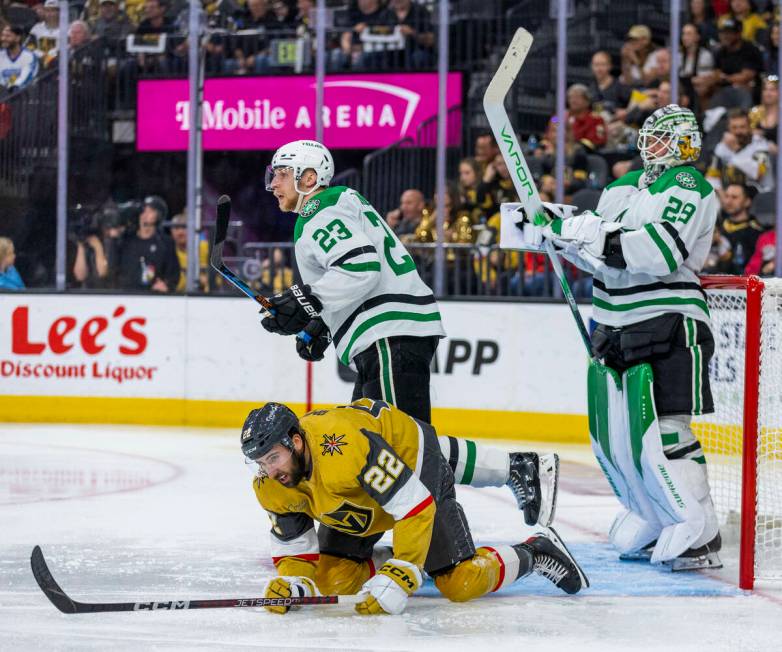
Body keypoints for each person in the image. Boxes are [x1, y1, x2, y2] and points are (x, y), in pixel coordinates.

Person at [261, 139, 558, 523]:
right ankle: (402, 530)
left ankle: (505, 477)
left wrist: (306, 300)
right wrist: (317, 323)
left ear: (310, 178)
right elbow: (358, 273)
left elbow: (360, 266)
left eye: (283, 174)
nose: (274, 184)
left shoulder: (319, 209)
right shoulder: (336, 205)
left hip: (387, 332)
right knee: (378, 442)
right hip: (385, 332)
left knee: (405, 446)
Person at [515, 104, 723, 572]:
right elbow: (602, 259)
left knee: (665, 431)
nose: (651, 144)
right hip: (612, 322)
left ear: (684, 143)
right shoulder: (622, 188)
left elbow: (660, 250)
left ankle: (698, 528)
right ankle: (654, 514)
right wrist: (561, 238)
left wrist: (595, 234)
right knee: (617, 437)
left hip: (668, 318)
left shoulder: (688, 186)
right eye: (650, 136)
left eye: (663, 137)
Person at [242, 399, 588, 615]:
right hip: (361, 496)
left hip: (413, 464)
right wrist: (294, 584)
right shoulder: (270, 485)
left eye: (274, 458)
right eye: (261, 462)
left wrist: (402, 571)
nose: (270, 471)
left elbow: (413, 504)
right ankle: (416, 557)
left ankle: (537, 552)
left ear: (297, 442)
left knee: (460, 584)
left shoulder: (344, 452)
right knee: (333, 581)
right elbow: (297, 550)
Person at [115, 195, 180, 292]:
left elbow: (173, 273)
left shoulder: (165, 242)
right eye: (144, 209)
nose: (145, 213)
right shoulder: (126, 239)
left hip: (152, 297)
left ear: (159, 215)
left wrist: (166, 285)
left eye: (151, 211)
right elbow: (114, 268)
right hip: (126, 295)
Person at [707, 108, 774, 195]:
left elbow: (758, 174)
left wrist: (736, 149)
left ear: (749, 127)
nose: (738, 131)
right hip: (730, 197)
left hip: (759, 195)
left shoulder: (760, 144)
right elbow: (712, 176)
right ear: (728, 128)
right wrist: (723, 196)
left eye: (742, 127)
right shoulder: (722, 147)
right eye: (734, 127)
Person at [717, 183, 765, 273]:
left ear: (747, 201)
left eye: (734, 197)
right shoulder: (718, 226)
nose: (728, 201)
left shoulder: (755, 233)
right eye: (726, 196)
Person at [170, 211, 209, 292]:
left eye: (184, 227)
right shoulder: (168, 251)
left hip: (206, 297)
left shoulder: (205, 247)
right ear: (171, 231)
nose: (180, 232)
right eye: (176, 228)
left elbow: (218, 278)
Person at [0, 25, 39, 92]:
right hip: (3, 94)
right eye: (2, 35)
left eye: (8, 36)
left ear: (17, 38)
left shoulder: (29, 56)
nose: (3, 39)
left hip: (24, 95)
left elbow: (27, 76)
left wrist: (14, 86)